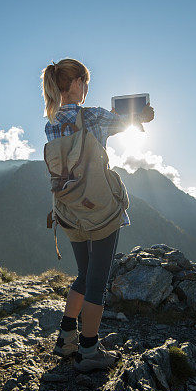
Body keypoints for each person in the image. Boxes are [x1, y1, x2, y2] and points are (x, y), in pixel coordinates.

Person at [41, 58, 154, 372]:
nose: (87, 88)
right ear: (77, 82)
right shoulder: (92, 117)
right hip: (99, 209)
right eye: (85, 82)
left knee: (84, 272)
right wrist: (142, 115)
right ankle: (89, 351)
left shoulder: (51, 122)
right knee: (98, 280)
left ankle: (66, 338)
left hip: (68, 209)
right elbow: (123, 121)